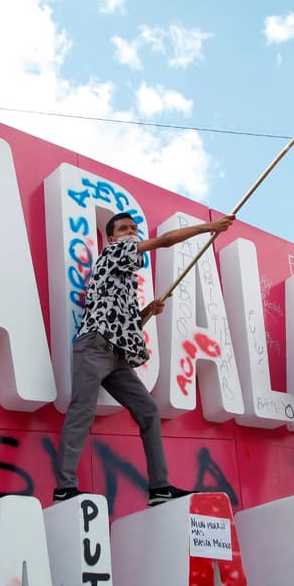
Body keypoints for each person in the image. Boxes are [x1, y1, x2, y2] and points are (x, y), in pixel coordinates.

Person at [54, 211, 234, 506]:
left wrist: (146, 312)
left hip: (117, 355)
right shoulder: (113, 251)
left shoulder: (123, 278)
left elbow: (121, 323)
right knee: (81, 411)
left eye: (134, 228)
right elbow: (163, 241)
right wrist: (208, 227)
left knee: (148, 411)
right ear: (111, 238)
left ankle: (159, 487)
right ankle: (65, 487)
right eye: (124, 229)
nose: (131, 232)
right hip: (95, 347)